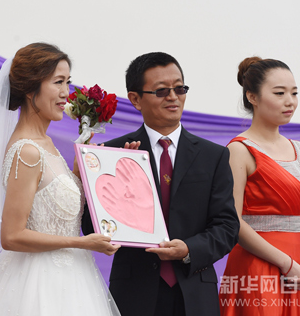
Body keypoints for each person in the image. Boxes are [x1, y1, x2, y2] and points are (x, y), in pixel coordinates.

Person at [0, 43, 122, 315]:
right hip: (38, 283)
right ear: (31, 88)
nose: (66, 93)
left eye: (68, 82)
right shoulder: (27, 151)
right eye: (58, 82)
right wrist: (81, 242)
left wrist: (85, 171)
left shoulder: (46, 143)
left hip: (71, 278)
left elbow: (51, 206)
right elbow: (11, 236)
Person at [82, 52, 240, 316]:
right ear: (135, 99)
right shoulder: (112, 153)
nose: (173, 97)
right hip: (134, 293)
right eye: (161, 91)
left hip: (195, 292)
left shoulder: (214, 156)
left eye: (179, 88)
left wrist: (189, 249)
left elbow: (227, 226)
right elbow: (92, 227)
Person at [219, 57, 300, 315]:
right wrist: (286, 263)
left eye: (294, 93)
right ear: (252, 97)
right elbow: (234, 220)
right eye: (279, 93)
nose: (290, 101)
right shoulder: (239, 150)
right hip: (259, 266)